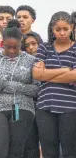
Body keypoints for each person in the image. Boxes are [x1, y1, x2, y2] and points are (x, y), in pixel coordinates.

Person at [0, 20, 39, 158]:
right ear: (1, 43)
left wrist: (16, 86)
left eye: (15, 47)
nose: (11, 51)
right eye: (7, 47)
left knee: (15, 152)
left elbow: (37, 89)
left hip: (22, 107)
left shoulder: (31, 60)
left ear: (21, 44)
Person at [33, 11, 76, 158]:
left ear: (72, 27)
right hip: (45, 106)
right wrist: (63, 71)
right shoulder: (45, 47)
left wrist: (47, 76)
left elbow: (75, 76)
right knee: (48, 151)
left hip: (70, 107)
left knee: (69, 151)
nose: (62, 33)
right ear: (52, 29)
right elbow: (37, 74)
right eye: (58, 30)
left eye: (66, 29)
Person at [21, 32, 42, 158]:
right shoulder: (22, 64)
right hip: (28, 107)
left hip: (47, 107)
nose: (30, 48)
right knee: (30, 145)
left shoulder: (50, 60)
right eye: (27, 45)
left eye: (34, 44)